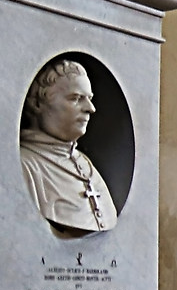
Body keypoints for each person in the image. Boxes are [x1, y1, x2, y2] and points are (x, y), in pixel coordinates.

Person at [20, 59, 117, 236]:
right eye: (76, 98)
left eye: (89, 99)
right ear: (38, 104)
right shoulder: (25, 165)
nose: (91, 108)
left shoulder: (86, 165)